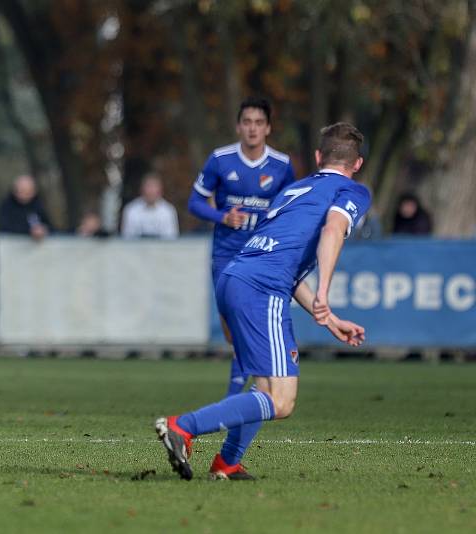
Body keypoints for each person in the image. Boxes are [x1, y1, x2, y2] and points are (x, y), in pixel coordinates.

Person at [156, 122, 370, 481]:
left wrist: (327, 317)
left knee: (265, 386)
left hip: (236, 277)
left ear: (318, 157)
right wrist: (323, 294)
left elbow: (287, 263)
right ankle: (182, 426)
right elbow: (333, 230)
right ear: (357, 164)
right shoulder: (353, 190)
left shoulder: (296, 189)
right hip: (262, 288)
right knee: (282, 401)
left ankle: (227, 463)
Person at [188, 97, 295, 475]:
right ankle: (232, 414)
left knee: (250, 343)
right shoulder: (220, 160)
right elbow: (194, 202)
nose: (252, 128)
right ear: (238, 127)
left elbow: (289, 210)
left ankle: (233, 407)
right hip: (226, 259)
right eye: (246, 121)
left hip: (262, 261)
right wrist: (221, 215)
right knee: (237, 337)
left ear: (268, 128)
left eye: (258, 122)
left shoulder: (282, 166)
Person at [120, 173, 179, 239]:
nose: (151, 191)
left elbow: (171, 240)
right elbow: (127, 239)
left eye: (154, 187)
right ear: (142, 189)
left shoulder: (168, 211)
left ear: (161, 190)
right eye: (148, 186)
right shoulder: (131, 210)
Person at [0, 175, 52, 240]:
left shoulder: (38, 205)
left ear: (34, 191)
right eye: (21, 191)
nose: (23, 195)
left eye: (28, 192)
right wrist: (30, 231)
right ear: (15, 190)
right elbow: (6, 228)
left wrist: (44, 229)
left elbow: (50, 226)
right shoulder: (6, 206)